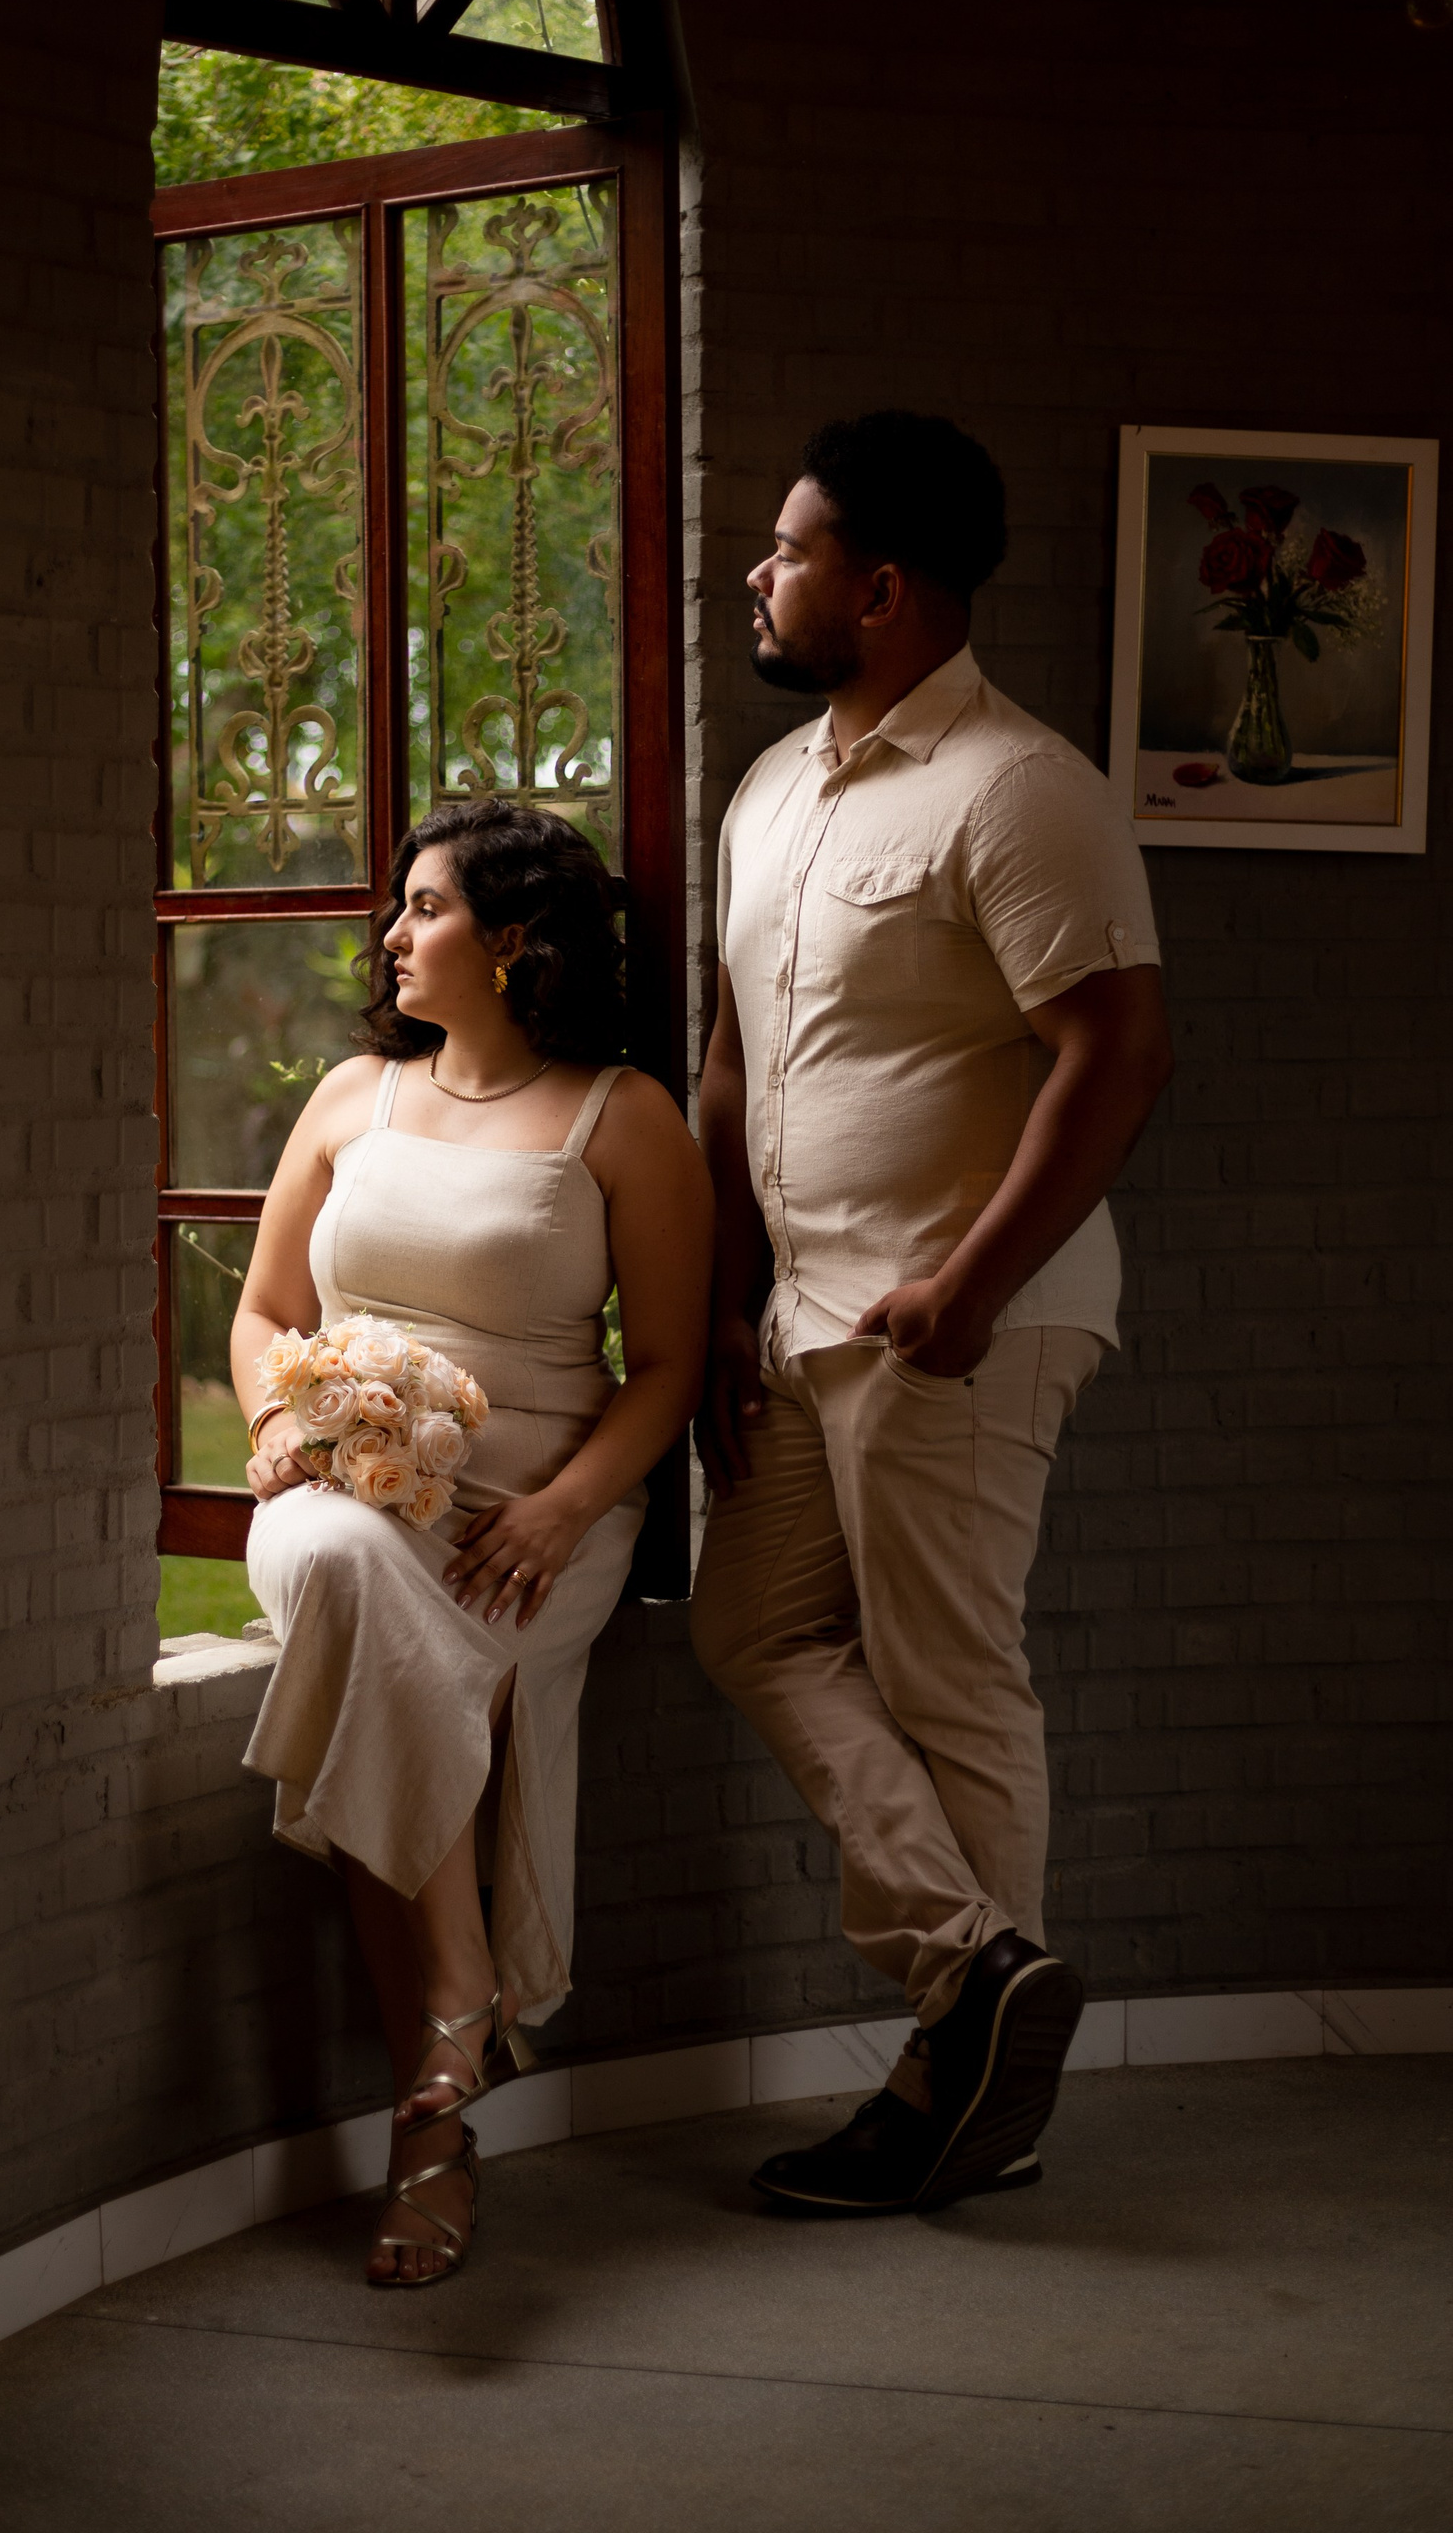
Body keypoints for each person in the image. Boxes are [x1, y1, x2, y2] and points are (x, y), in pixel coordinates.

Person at [692, 410, 1173, 2216]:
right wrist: (727, 1299)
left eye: (789, 549)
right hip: (802, 1319)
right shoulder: (770, 790)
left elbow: (1118, 1052)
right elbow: (733, 1063)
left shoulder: (1020, 786)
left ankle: (960, 2096)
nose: (759, 573)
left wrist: (971, 1288)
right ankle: (977, 1977)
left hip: (959, 1316)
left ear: (881, 588)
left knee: (949, 1682)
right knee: (753, 1629)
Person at [232, 800, 712, 2288]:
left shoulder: (622, 1118)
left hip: (532, 1520)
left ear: (514, 941)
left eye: (425, 908)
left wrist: (567, 1510)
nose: (390, 935)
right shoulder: (350, 1098)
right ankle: (461, 1989)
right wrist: (281, 1426)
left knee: (381, 1675)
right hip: (342, 1496)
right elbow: (262, 1313)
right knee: (344, 1572)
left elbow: (669, 1369)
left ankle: (431, 2147)